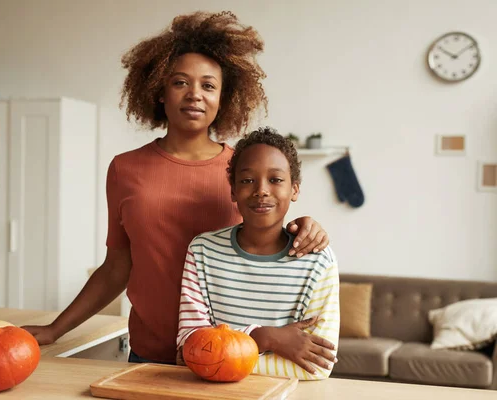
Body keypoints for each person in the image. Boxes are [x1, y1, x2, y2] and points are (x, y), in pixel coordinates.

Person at [22, 11, 330, 365]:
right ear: (159, 91)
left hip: (231, 357)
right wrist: (55, 329)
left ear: (223, 97)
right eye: (180, 82)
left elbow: (268, 242)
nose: (194, 95)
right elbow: (116, 267)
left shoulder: (243, 174)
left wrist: (306, 226)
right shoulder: (125, 169)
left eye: (208, 85)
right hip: (148, 354)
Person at [177, 127, 339, 380]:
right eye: (247, 180)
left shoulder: (317, 259)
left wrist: (217, 356)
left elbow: (317, 366)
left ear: (294, 190)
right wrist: (266, 337)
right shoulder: (202, 251)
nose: (261, 190)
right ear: (232, 190)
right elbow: (187, 350)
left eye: (275, 180)